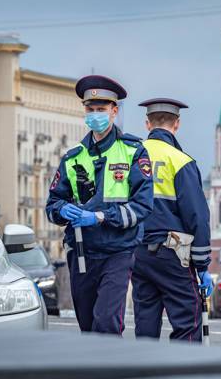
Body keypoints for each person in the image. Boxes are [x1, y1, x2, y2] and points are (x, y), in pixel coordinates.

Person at [46, 75, 153, 335]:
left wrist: (102, 217)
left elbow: (142, 206)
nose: (95, 115)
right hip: (82, 253)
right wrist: (62, 210)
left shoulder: (133, 152)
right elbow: (52, 205)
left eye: (101, 110)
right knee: (87, 326)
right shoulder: (73, 158)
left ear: (114, 111)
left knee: (106, 322)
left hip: (118, 251)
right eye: (90, 109)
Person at [132, 98, 212, 342]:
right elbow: (196, 215)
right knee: (187, 321)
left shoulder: (131, 158)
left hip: (138, 252)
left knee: (145, 322)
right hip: (173, 252)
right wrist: (202, 265)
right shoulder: (181, 161)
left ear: (148, 124)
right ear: (176, 124)